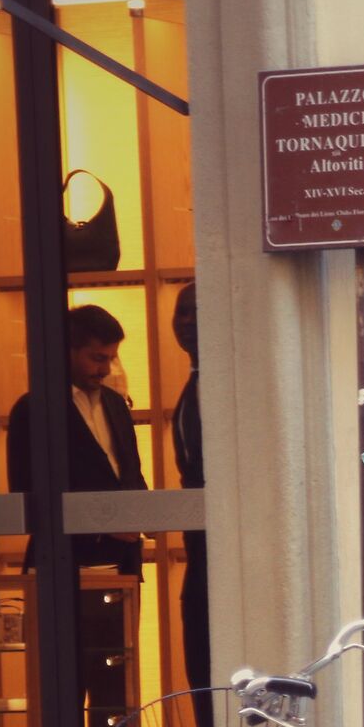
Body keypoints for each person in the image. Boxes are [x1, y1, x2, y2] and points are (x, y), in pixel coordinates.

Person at [6, 302, 145, 727]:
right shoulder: (33, 409)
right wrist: (110, 523)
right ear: (65, 350)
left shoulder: (116, 405)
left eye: (109, 358)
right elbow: (28, 492)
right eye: (95, 357)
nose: (104, 368)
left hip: (119, 572)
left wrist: (139, 517)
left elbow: (130, 476)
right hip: (65, 568)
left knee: (116, 693)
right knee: (64, 690)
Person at [169, 284, 210, 704]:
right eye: (181, 313)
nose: (186, 322)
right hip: (198, 553)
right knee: (200, 672)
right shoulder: (192, 384)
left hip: (219, 555)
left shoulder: (223, 383)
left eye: (196, 312)